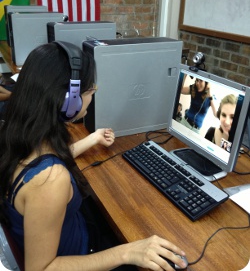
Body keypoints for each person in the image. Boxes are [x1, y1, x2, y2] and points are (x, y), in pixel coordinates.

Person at [0, 42, 186, 271]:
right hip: (77, 255)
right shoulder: (50, 180)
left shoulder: (22, 135)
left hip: (71, 234)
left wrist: (93, 138)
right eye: (90, 91)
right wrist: (128, 252)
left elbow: (51, 157)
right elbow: (41, 269)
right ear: (70, 100)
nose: (92, 96)